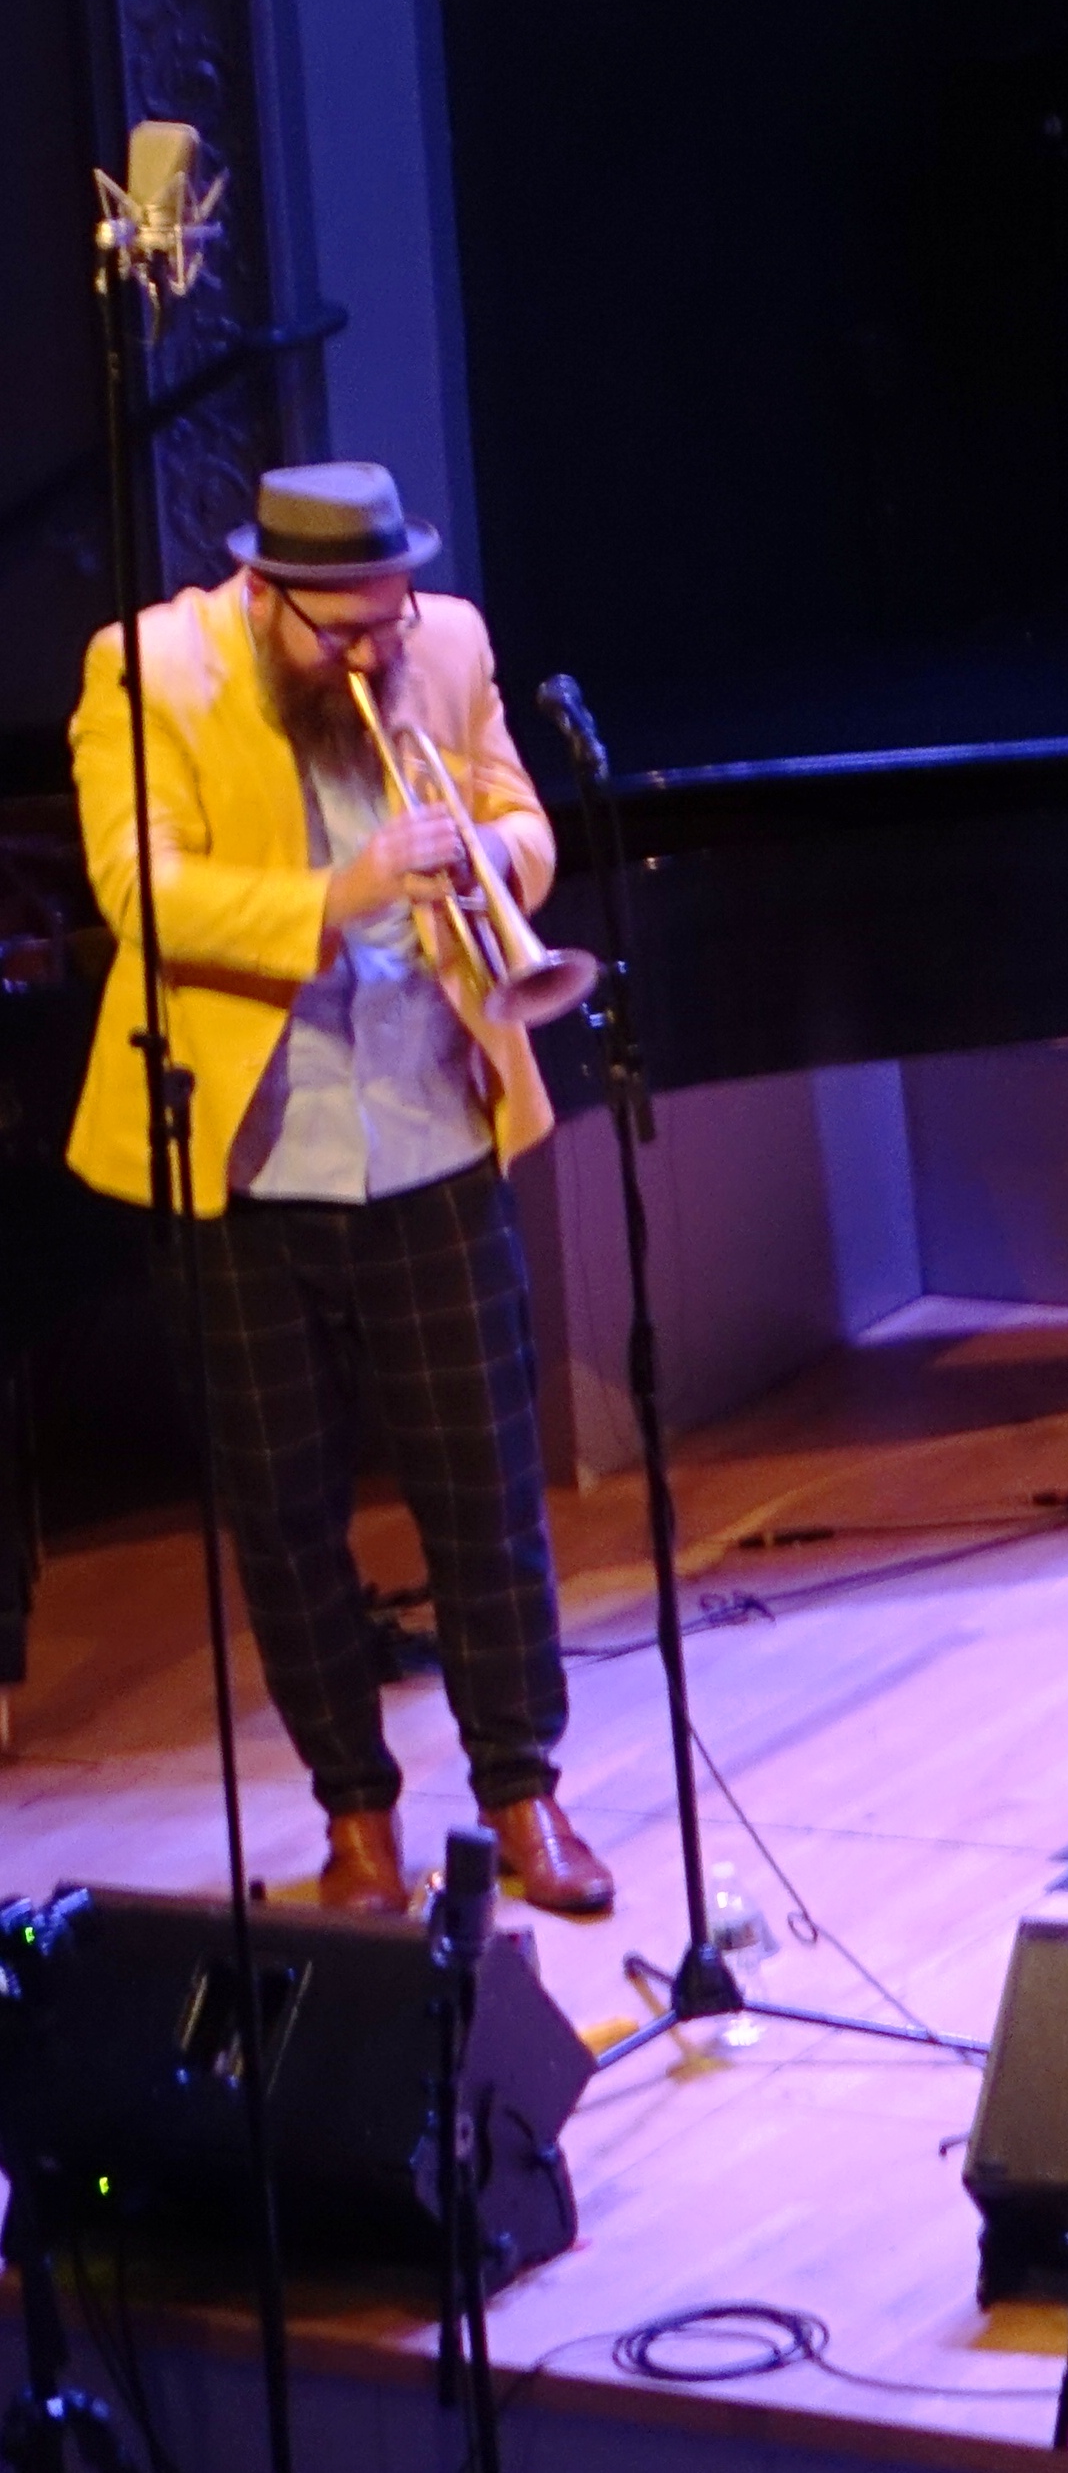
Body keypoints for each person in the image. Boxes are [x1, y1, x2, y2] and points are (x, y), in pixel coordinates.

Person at [68, 461, 612, 1919]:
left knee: (486, 1498)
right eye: (342, 633)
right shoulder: (151, 670)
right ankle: (355, 1818)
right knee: (284, 1513)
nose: (376, 653)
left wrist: (495, 852)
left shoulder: (448, 640)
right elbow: (140, 890)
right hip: (245, 1164)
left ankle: (525, 1794)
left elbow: (521, 812)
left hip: (432, 1131)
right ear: (266, 597)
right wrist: (344, 891)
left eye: (389, 619)